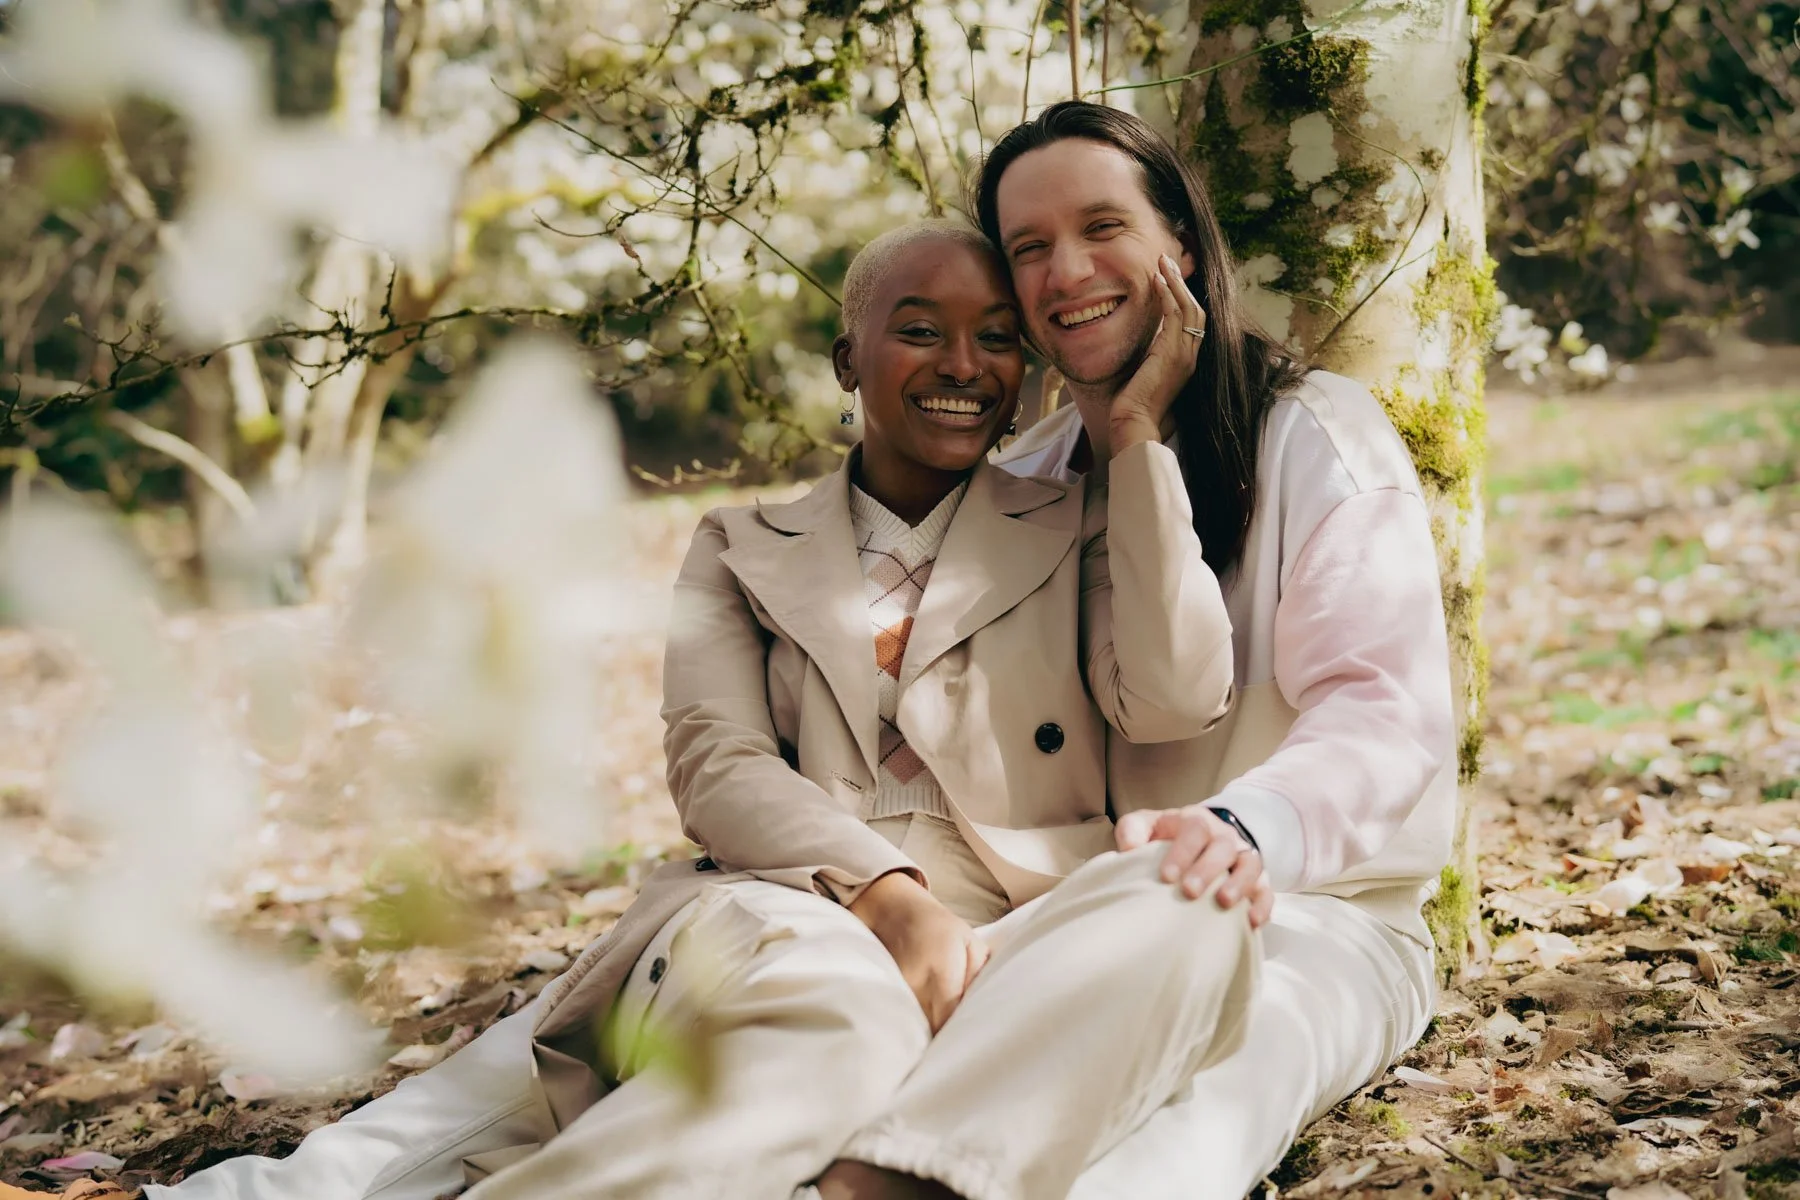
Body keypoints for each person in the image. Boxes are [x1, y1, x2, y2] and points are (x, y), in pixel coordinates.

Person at [1, 218, 1265, 1200]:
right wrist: (886, 892)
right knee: (831, 1013)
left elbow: (1175, 695)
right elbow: (715, 762)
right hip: (785, 908)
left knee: (1193, 926)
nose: (965, 368)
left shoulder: (1092, 517)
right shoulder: (741, 540)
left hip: (1018, 929)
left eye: (999, 337)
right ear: (847, 357)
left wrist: (1138, 432)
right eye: (920, 329)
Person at [849, 99, 1450, 1200]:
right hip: (1085, 905)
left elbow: (1386, 708)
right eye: (1029, 248)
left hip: (1313, 917)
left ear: (1181, 242)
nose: (1066, 269)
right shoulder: (1025, 480)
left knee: (1198, 1111)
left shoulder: (1313, 432)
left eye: (1102, 227)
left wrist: (1245, 828)